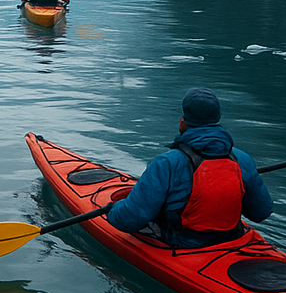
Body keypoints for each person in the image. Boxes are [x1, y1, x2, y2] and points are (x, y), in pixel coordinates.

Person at [105, 87, 273, 248]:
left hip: (181, 243)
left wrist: (112, 210)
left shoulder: (166, 163)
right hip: (231, 238)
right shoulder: (242, 159)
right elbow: (261, 212)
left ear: (182, 124)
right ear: (218, 120)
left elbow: (129, 219)